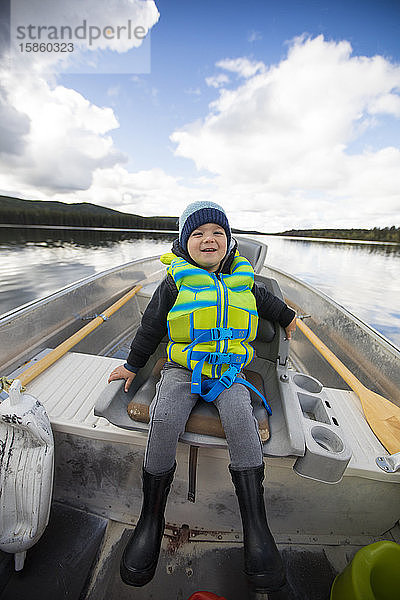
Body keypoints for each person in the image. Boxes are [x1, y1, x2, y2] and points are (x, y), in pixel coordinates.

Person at [108, 201, 296, 596]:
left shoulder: (244, 282)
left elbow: (271, 305)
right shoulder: (174, 282)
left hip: (229, 370)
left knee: (241, 418)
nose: (208, 239)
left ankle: (255, 525)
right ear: (183, 243)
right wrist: (130, 365)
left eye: (217, 233)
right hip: (182, 368)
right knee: (164, 419)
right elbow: (149, 327)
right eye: (198, 233)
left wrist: (289, 318)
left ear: (229, 243)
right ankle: (151, 518)